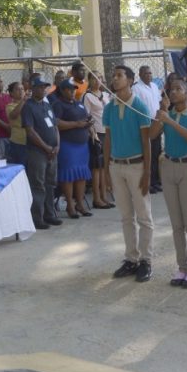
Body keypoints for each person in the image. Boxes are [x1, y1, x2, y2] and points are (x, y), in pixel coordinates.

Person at [103, 64, 154, 282]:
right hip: (116, 166)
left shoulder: (139, 106)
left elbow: (146, 141)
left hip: (136, 166)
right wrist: (106, 169)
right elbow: (108, 139)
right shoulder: (110, 107)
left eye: (120, 76)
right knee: (125, 217)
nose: (115, 79)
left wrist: (148, 173)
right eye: (113, 76)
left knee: (144, 217)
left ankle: (146, 261)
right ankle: (131, 259)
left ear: (131, 80)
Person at [151, 77, 187, 287]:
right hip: (169, 167)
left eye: (178, 89)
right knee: (176, 224)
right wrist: (159, 116)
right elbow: (152, 135)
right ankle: (181, 267)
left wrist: (170, 121)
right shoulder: (166, 114)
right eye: (171, 90)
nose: (173, 93)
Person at [21, 76, 60, 230]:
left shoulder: (47, 105)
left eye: (45, 87)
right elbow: (30, 131)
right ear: (33, 89)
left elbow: (55, 126)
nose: (43, 90)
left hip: (52, 151)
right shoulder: (28, 107)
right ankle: (37, 218)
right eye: (40, 87)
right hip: (37, 152)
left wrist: (56, 146)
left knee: (51, 184)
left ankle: (50, 214)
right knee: (38, 185)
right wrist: (46, 147)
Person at [53, 79, 93, 218]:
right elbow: (56, 123)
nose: (72, 91)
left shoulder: (79, 104)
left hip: (82, 145)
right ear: (63, 90)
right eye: (69, 89)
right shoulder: (58, 104)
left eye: (74, 89)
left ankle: (80, 204)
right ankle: (70, 205)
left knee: (81, 175)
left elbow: (85, 118)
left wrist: (88, 123)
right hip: (68, 145)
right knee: (69, 175)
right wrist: (76, 124)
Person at [82, 72, 113, 209]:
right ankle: (97, 198)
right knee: (96, 167)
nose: (96, 81)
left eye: (99, 78)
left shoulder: (106, 96)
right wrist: (92, 134)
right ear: (89, 81)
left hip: (107, 132)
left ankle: (104, 196)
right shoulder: (88, 96)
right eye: (93, 79)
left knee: (105, 166)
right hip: (96, 134)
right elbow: (87, 117)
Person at [135, 65, 162, 193]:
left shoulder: (155, 87)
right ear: (140, 74)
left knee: (156, 153)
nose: (149, 75)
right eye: (146, 73)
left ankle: (155, 181)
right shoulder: (136, 88)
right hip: (145, 123)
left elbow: (158, 102)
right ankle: (148, 182)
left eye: (150, 73)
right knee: (148, 154)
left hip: (156, 121)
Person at [6, 80, 30, 165]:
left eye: (22, 89)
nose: (21, 91)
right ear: (11, 93)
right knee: (20, 167)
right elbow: (13, 115)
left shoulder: (29, 104)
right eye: (17, 89)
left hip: (31, 141)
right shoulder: (10, 106)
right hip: (18, 142)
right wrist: (23, 101)